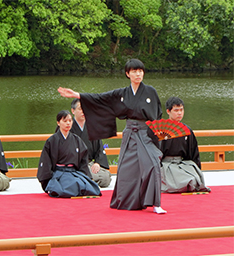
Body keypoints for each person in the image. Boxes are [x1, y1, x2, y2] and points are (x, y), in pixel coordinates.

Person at [58, 59, 167, 214]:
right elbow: (101, 98)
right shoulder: (122, 93)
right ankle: (127, 200)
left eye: (140, 71)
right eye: (134, 71)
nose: (138, 74)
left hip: (146, 132)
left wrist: (157, 133)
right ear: (127, 74)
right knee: (126, 168)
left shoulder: (150, 92)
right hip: (130, 133)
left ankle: (155, 203)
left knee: (152, 165)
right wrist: (78, 95)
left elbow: (158, 115)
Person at [37, 110, 101, 198]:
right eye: (65, 121)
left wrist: (85, 175)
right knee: (68, 187)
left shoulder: (76, 140)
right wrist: (47, 179)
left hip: (73, 172)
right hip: (59, 173)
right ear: (58, 123)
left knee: (91, 188)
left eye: (70, 121)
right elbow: (46, 161)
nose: (68, 123)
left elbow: (83, 159)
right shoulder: (52, 141)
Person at [160, 97, 211, 193]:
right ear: (168, 111)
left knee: (194, 178)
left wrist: (196, 168)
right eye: (176, 110)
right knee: (182, 181)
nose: (179, 113)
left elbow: (193, 153)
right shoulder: (161, 130)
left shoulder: (187, 130)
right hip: (166, 166)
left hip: (181, 164)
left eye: (181, 110)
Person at [70, 99, 111, 188]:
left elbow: (99, 148)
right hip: (72, 165)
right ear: (73, 111)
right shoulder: (67, 126)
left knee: (106, 178)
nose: (83, 111)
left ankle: (83, 181)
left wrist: (97, 163)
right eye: (80, 109)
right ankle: (85, 180)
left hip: (88, 164)